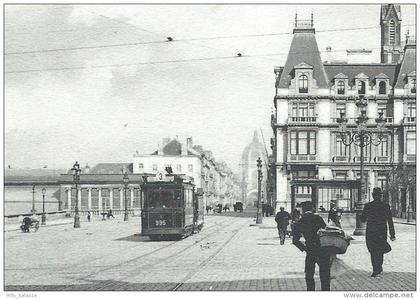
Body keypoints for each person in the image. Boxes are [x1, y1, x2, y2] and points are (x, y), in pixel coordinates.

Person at [292, 201, 332, 291]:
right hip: (322, 247)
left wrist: (304, 248)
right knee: (325, 273)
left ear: (303, 209)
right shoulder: (318, 218)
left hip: (310, 248)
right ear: (312, 208)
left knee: (309, 274)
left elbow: (295, 241)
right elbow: (326, 231)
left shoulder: (301, 221)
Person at [361, 187, 396, 277]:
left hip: (371, 232)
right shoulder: (385, 206)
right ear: (381, 196)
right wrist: (392, 234)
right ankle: (379, 267)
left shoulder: (368, 206)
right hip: (381, 232)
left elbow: (363, 219)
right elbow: (390, 221)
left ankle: (375, 269)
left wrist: (362, 213)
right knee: (380, 249)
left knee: (373, 250)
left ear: (372, 195)